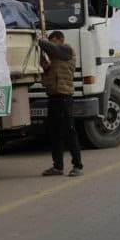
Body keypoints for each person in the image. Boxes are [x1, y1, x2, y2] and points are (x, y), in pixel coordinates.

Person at [38, 30, 83, 177]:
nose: (51, 45)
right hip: (53, 97)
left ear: (59, 40)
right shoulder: (53, 57)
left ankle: (78, 166)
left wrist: (39, 40)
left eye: (53, 41)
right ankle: (58, 167)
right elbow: (46, 78)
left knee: (69, 132)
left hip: (64, 97)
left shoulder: (66, 50)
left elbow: (53, 49)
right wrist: (45, 68)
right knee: (54, 134)